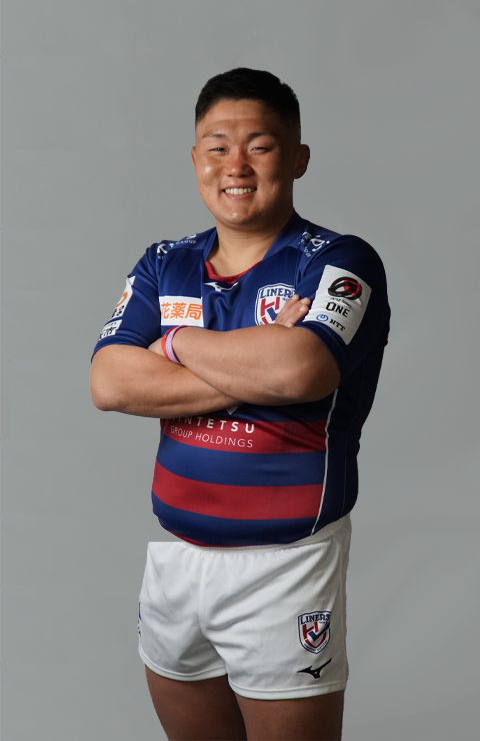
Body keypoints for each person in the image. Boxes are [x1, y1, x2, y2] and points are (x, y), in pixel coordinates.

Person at [90, 68, 390, 741]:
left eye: (260, 145)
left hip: (286, 566)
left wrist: (172, 345)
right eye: (217, 146)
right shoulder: (164, 263)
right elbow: (109, 382)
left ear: (298, 158)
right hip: (176, 559)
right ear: (196, 159)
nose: (236, 165)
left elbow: (302, 368)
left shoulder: (339, 261)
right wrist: (253, 365)